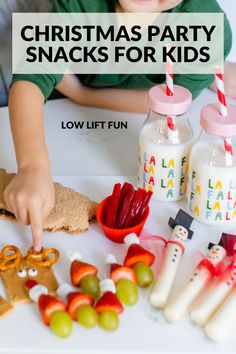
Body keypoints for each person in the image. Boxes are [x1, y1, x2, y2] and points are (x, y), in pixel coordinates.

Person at [5, 0, 235, 251]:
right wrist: (32, 166)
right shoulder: (83, 5)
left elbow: (171, 101)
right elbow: (32, 74)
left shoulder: (203, 22)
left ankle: (215, 73)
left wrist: (83, 95)